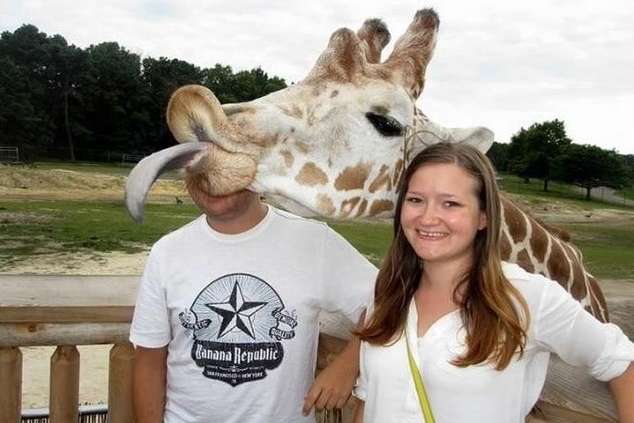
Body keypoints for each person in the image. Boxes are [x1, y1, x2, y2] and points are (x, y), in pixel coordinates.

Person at [353, 142, 634, 423]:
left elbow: (621, 363)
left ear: (483, 217)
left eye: (450, 203)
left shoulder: (528, 297)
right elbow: (370, 398)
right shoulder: (388, 291)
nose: (427, 217)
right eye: (416, 200)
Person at [130, 176, 376, 423]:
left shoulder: (314, 242)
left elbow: (388, 298)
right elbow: (149, 361)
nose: (211, 179)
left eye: (225, 167)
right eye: (199, 168)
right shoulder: (166, 253)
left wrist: (349, 364)